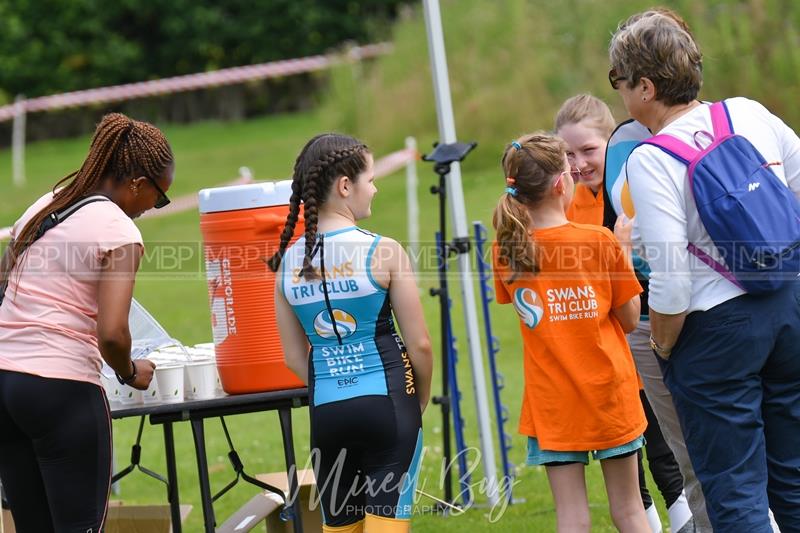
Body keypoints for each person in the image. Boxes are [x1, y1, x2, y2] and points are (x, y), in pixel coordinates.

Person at [610, 10, 800, 532]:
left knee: (735, 493)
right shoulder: (749, 113)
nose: (621, 96)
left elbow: (670, 278)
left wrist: (664, 345)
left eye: (620, 83)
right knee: (794, 479)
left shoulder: (649, 159)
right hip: (787, 309)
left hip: (714, 334)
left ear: (645, 86)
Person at [0, 112, 173, 532]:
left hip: (6, 384)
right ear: (137, 184)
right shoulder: (118, 229)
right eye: (160, 196)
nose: (155, 207)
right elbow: (112, 334)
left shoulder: (46, 205)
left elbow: (3, 282)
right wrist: (130, 371)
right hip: (62, 387)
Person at [269, 133, 433, 533]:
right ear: (346, 186)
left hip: (328, 412)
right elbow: (421, 345)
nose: (374, 188)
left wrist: (336, 385)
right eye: (371, 179)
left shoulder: (287, 262)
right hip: (389, 404)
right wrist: (417, 400)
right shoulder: (384, 250)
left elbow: (294, 356)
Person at [556, 93, 703, 533]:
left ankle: (689, 523)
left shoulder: (635, 188)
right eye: (567, 154)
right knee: (627, 467)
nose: (579, 163)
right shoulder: (564, 204)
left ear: (614, 145)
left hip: (644, 335)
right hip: (597, 350)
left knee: (666, 451)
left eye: (589, 150)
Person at [492, 133, 648, 532]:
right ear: (562, 183)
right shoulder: (599, 240)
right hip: (609, 393)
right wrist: (624, 254)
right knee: (630, 511)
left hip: (552, 403)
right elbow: (630, 319)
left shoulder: (505, 247)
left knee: (572, 518)